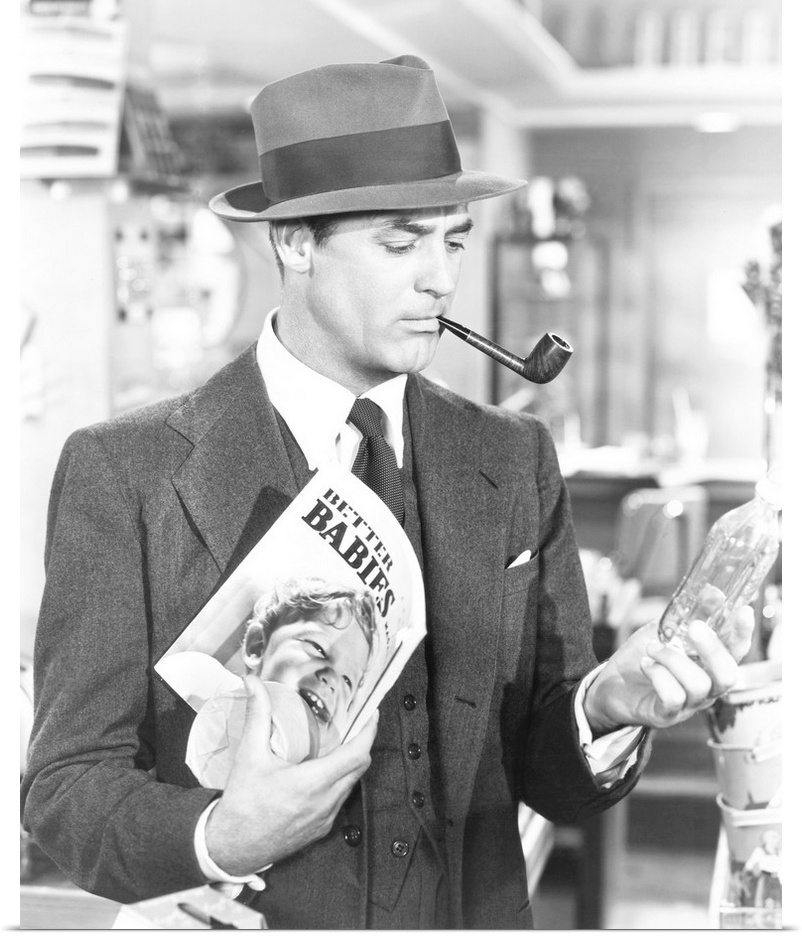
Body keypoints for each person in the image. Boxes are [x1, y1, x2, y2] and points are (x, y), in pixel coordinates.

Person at [21, 55, 754, 928]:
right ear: (296, 243)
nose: (440, 277)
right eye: (401, 244)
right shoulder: (125, 472)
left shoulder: (513, 455)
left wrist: (603, 706)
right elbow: (66, 789)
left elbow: (543, 766)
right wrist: (219, 836)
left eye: (453, 241)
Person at [172, 577, 379, 787]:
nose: (332, 679)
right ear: (257, 646)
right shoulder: (202, 683)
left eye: (348, 680)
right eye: (318, 648)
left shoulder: (318, 775)